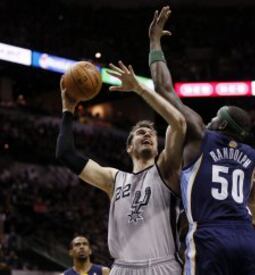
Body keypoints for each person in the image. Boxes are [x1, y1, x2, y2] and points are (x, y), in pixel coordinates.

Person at [148, 7, 255, 275]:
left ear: (221, 125)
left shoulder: (201, 134)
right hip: (248, 237)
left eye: (215, 116)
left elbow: (163, 89)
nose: (210, 119)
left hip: (210, 236)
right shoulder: (250, 155)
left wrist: (155, 41)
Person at [56, 62, 186, 275]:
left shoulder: (166, 169)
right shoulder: (113, 179)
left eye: (151, 133)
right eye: (140, 132)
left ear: (157, 145)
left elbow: (179, 123)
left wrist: (139, 88)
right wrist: (68, 111)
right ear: (128, 147)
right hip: (122, 269)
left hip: (162, 266)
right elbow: (66, 154)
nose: (146, 134)